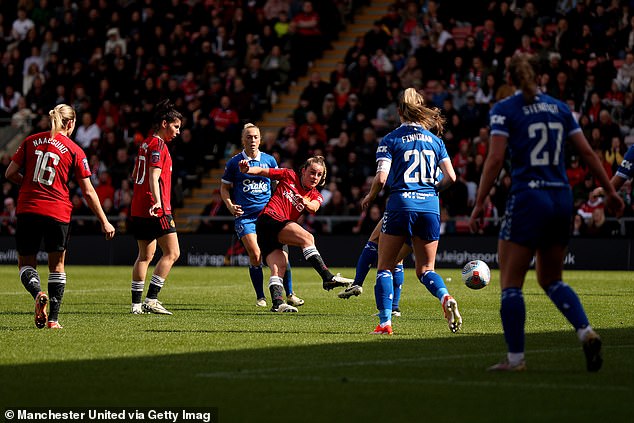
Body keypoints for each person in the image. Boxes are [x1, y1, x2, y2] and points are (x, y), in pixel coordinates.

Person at [469, 55, 624, 372]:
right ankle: (586, 332)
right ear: (538, 78)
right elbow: (587, 152)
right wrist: (610, 191)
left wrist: (479, 201)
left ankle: (515, 360)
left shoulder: (504, 109)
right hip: (561, 196)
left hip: (530, 195)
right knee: (551, 278)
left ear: (510, 81)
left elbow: (496, 159)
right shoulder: (561, 108)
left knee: (511, 283)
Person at [5, 104, 116, 329]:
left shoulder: (30, 141)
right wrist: (104, 220)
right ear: (71, 123)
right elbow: (88, 191)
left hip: (28, 209)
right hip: (57, 211)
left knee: (26, 264)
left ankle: (37, 293)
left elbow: (9, 173)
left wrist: (28, 182)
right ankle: (53, 320)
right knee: (57, 266)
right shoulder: (75, 150)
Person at [361, 87, 460, 335]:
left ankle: (385, 322)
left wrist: (370, 197)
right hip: (429, 207)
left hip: (400, 205)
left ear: (399, 112)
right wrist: (430, 190)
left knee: (384, 266)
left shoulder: (391, 139)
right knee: (426, 269)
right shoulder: (436, 141)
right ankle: (445, 296)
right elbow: (451, 177)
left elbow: (382, 179)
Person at [239, 155, 353, 312]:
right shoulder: (289, 174)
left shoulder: (315, 195)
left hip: (275, 231)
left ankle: (277, 303)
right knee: (308, 237)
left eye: (319, 175)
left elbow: (314, 207)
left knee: (279, 267)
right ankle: (327, 277)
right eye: (312, 172)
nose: (315, 177)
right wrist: (248, 170)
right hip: (268, 219)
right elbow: (264, 171)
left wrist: (304, 201)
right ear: (303, 171)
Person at [221, 123, 304, 308]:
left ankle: (290, 294)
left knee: (282, 256)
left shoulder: (269, 160)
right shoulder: (234, 163)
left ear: (260, 139)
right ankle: (261, 297)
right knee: (256, 254)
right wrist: (229, 205)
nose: (252, 140)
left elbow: (278, 186)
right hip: (246, 217)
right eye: (249, 137)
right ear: (243, 139)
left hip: (268, 216)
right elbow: (224, 188)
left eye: (255, 137)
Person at [129, 99, 183, 315]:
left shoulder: (144, 143)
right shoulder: (159, 145)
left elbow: (135, 175)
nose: (177, 132)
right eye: (176, 126)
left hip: (139, 208)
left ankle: (135, 305)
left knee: (145, 256)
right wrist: (159, 200)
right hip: (156, 208)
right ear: (164, 123)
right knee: (173, 253)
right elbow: (153, 175)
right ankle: (151, 299)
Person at [338, 218, 412, 318]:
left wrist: (370, 200)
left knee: (375, 240)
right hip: (427, 210)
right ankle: (394, 308)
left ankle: (357, 283)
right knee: (400, 259)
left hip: (401, 209)